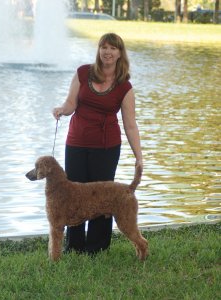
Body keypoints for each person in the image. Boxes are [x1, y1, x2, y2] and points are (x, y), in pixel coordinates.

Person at [53, 33, 143, 255]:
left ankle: (97, 248)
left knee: (103, 197)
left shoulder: (124, 86)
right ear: (99, 50)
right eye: (104, 47)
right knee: (73, 195)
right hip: (76, 143)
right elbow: (71, 103)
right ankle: (74, 247)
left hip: (106, 147)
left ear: (120, 53)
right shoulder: (83, 73)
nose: (107, 52)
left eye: (113, 48)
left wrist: (139, 157)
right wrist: (62, 110)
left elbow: (130, 125)